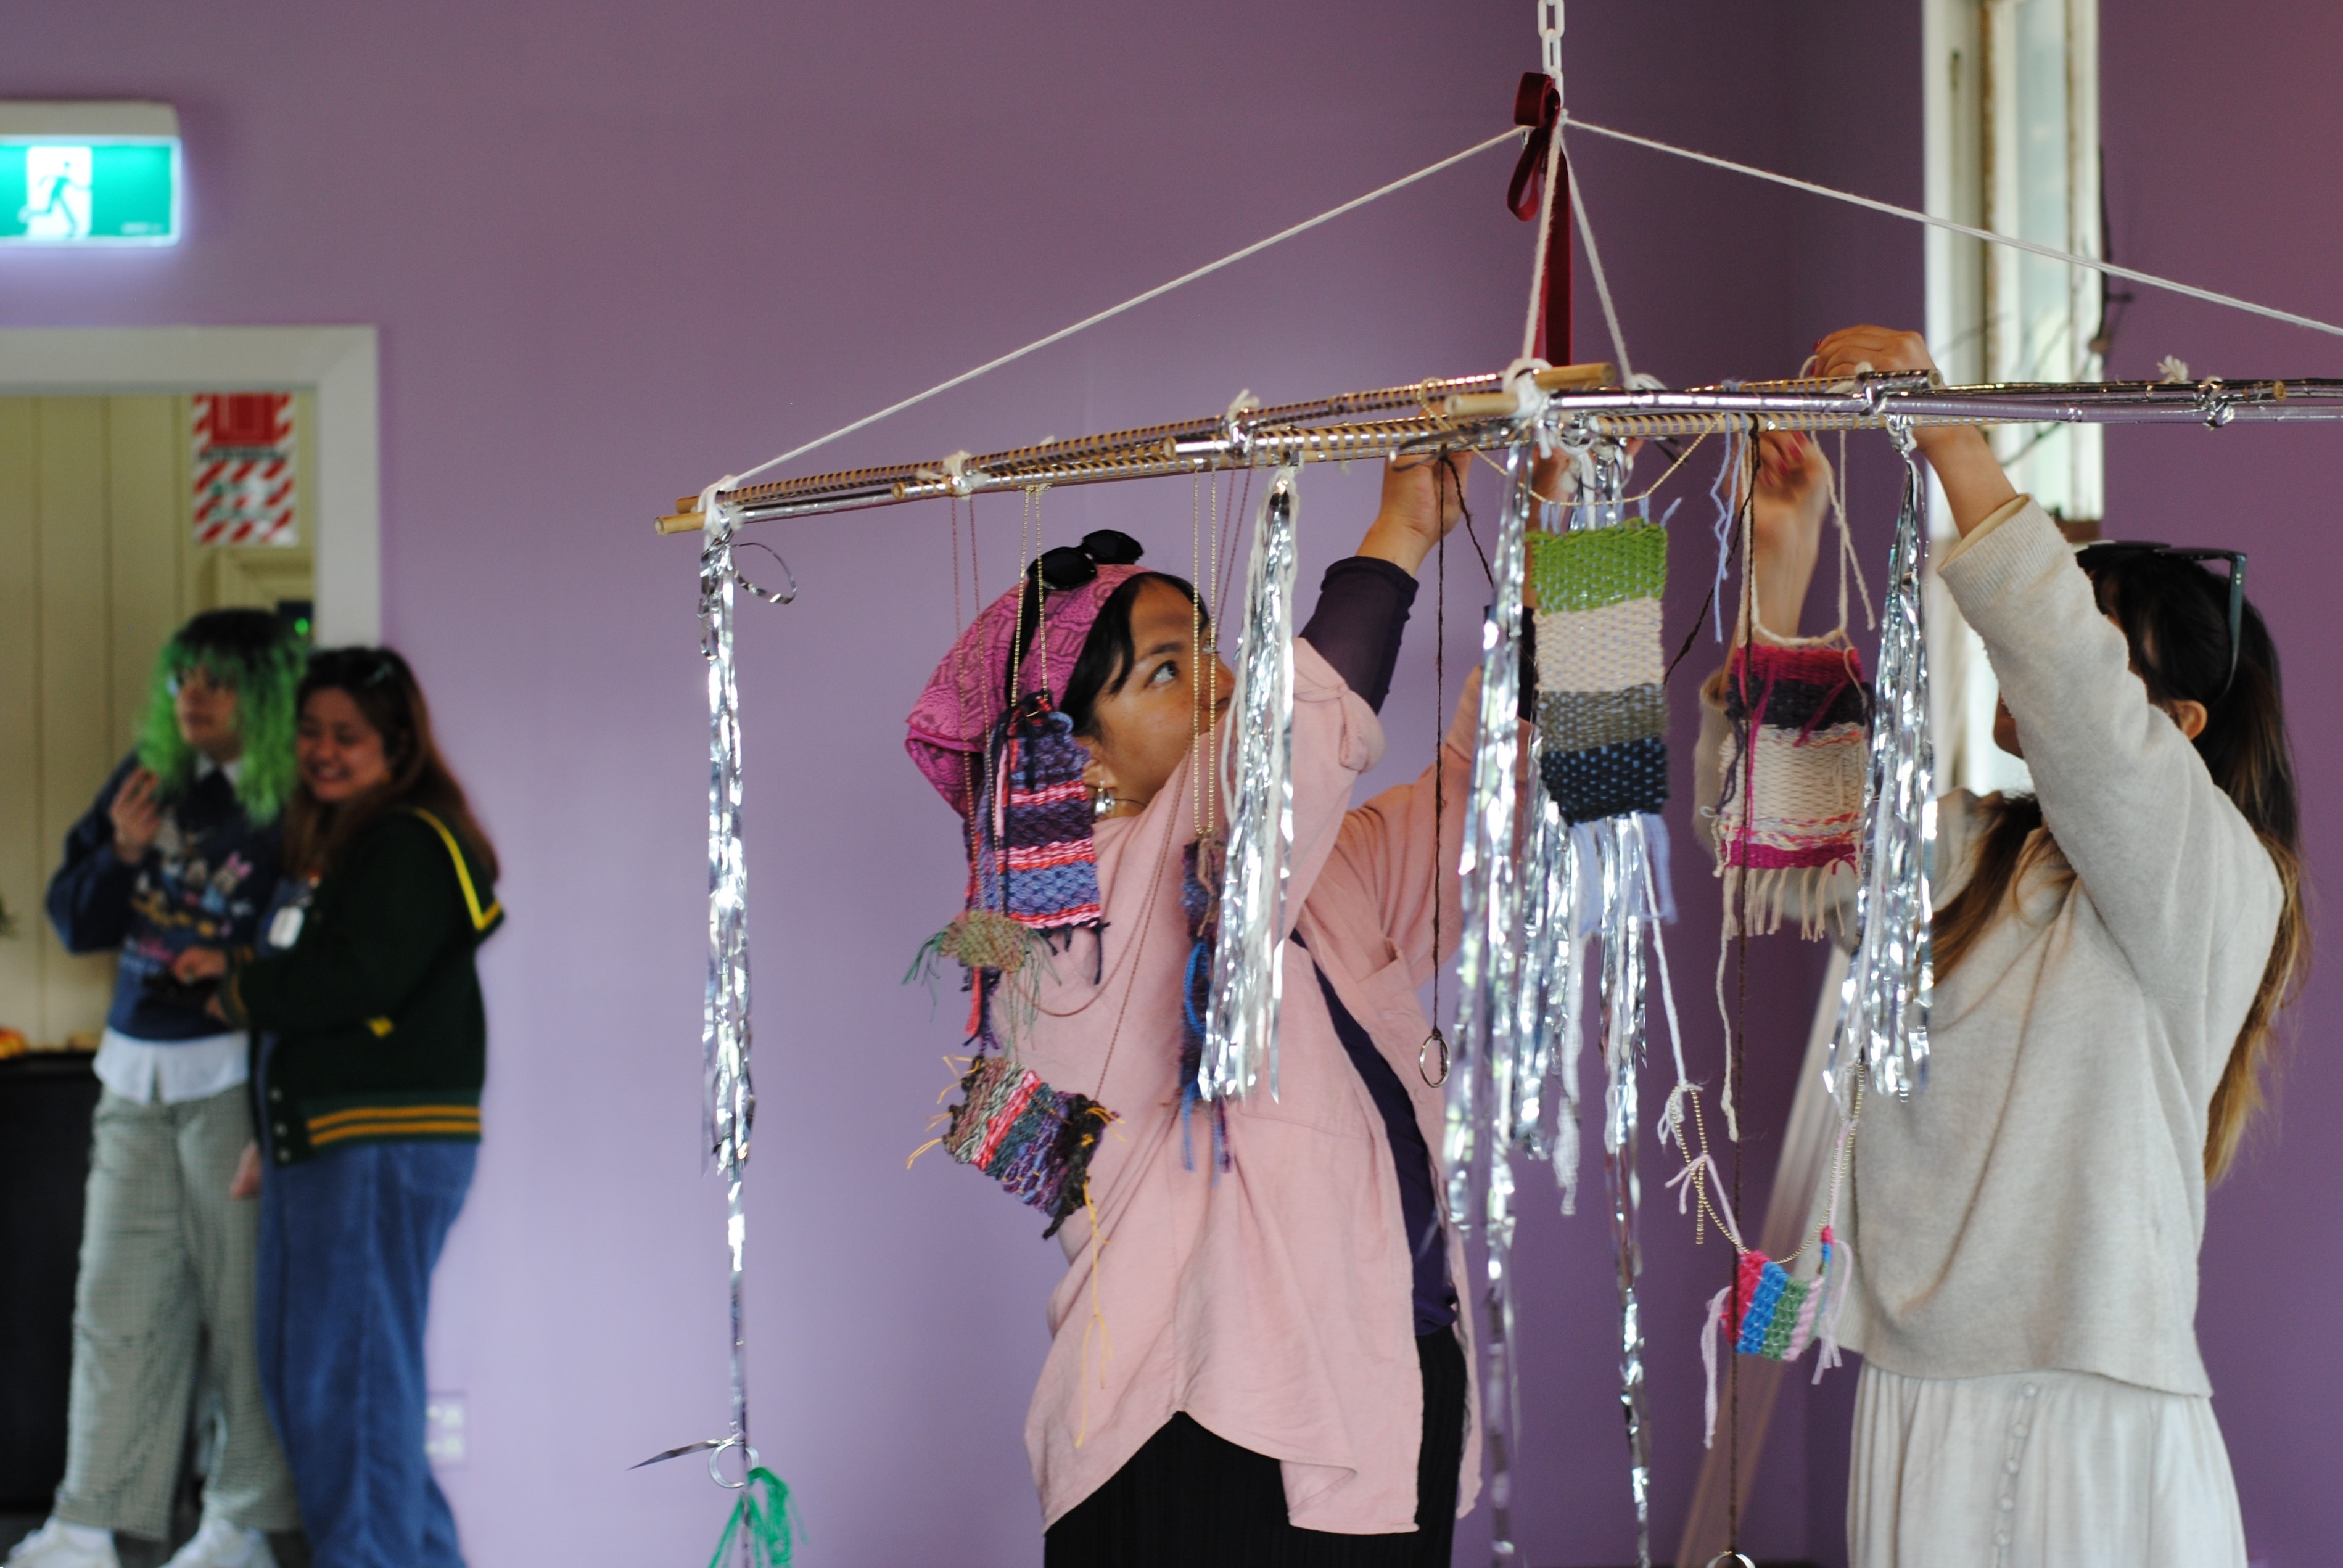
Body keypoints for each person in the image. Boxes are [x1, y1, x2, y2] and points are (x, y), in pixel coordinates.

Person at [1702, 326, 2302, 1567]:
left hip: (2093, 1397)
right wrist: (1784, 556)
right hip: (1921, 1393)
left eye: (2089, 628)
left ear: (2178, 726)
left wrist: (1950, 440)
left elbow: (2078, 698)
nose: (2030, 651)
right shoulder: (1975, 855)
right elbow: (1778, 817)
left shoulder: (2215, 884)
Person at [903, 456, 1484, 1566]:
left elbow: (1483, 804)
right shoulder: (1065, 933)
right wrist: (1399, 537)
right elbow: (1283, 757)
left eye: (1210, 653)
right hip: (1206, 1431)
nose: (1221, 685)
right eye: (1167, 673)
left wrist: (1569, 578)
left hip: (1383, 1386)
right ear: (1075, 756)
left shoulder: (1308, 871)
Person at [171, 647, 502, 1568]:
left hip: (376, 1152)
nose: (323, 751)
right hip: (331, 1147)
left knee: (348, 1392)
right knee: (343, 1391)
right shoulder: (350, 845)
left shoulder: (406, 842)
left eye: (346, 735)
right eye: (311, 732)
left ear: (396, 746)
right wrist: (274, 1134)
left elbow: (360, 979)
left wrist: (243, 990)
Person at [20, 610, 305, 1568]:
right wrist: (124, 852)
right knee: (114, 1300)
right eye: (184, 678)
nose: (194, 697)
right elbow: (75, 918)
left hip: (230, 1077)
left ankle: (246, 1521)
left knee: (241, 1309)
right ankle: (91, 1519)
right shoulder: (146, 780)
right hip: (131, 1074)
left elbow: (302, 946)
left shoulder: (292, 798)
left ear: (261, 695)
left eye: (218, 681)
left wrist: (221, 958)